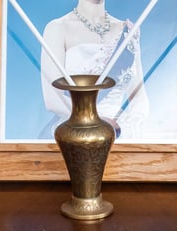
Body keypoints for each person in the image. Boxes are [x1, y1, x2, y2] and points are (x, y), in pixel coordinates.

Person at [40, 0, 150, 141]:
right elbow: (53, 98)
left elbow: (139, 96)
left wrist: (133, 124)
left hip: (118, 135)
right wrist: (96, 123)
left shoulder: (128, 32)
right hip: (76, 134)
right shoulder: (57, 28)